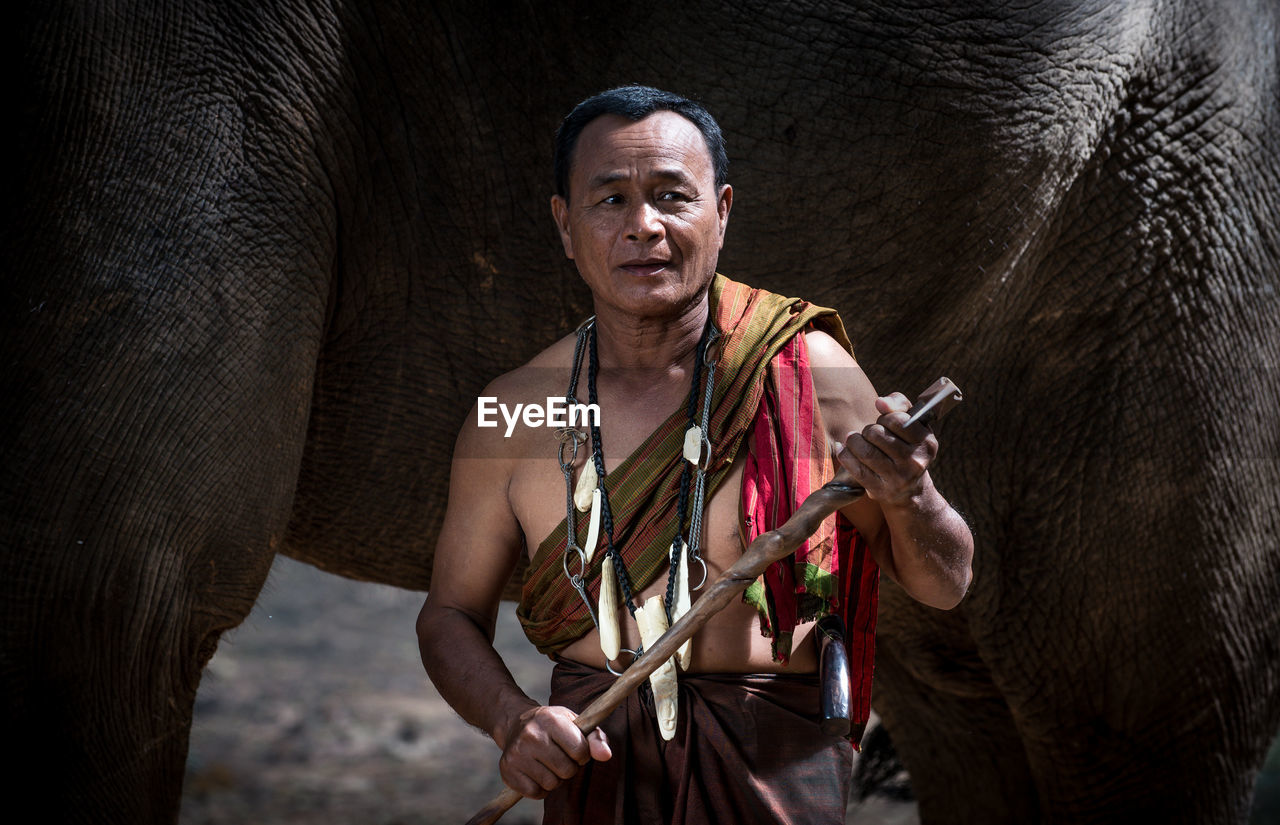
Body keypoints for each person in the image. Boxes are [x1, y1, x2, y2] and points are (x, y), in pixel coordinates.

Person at [417, 85, 973, 824]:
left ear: (723, 213)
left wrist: (912, 495)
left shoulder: (811, 372)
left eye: (673, 196)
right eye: (610, 200)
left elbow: (947, 583)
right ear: (565, 225)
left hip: (776, 771)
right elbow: (448, 613)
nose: (643, 226)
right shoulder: (513, 408)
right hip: (599, 774)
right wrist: (511, 718)